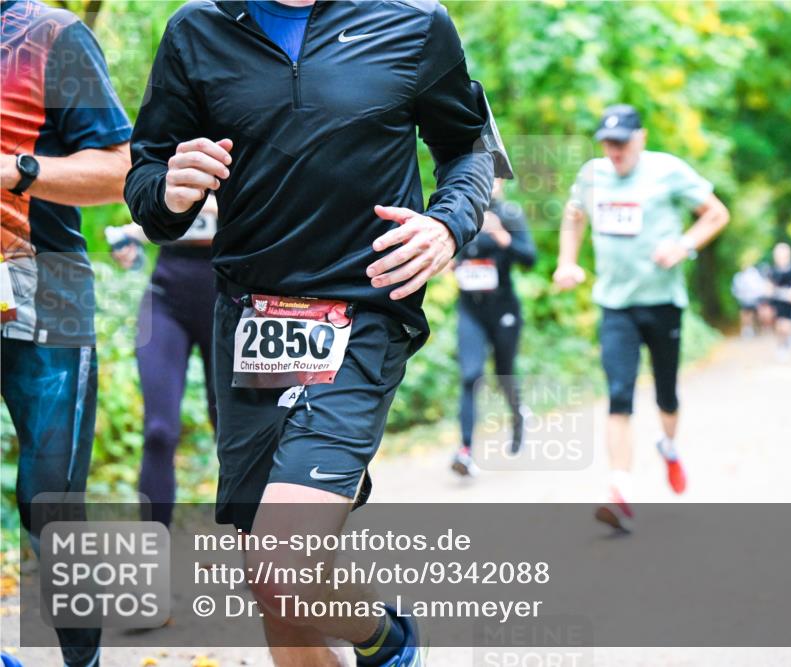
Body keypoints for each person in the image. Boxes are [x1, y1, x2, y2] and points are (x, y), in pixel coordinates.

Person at [124, 1, 506, 666]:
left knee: (281, 564)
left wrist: (447, 223)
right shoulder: (198, 30)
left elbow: (469, 148)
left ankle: (391, 642)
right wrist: (172, 189)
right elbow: (147, 183)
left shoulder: (414, 23)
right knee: (275, 587)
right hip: (248, 323)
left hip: (363, 314)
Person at [1, 1, 132, 665]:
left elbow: (120, 169)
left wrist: (21, 171)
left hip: (44, 290)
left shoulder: (52, 35)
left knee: (48, 502)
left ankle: (83, 660)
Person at [553, 104, 729, 532]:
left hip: (663, 303)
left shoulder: (667, 171)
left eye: (622, 142)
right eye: (608, 142)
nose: (614, 150)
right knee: (619, 392)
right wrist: (567, 262)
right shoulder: (592, 175)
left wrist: (685, 245)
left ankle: (668, 446)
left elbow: (717, 213)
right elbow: (573, 218)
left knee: (666, 394)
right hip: (616, 305)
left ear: (641, 139)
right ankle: (619, 489)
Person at [109, 195, 220, 527]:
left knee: (231, 431)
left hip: (228, 300)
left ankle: (257, 555)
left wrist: (198, 205)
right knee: (158, 431)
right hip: (165, 301)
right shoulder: (166, 151)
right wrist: (128, 240)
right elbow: (152, 215)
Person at [451, 178, 536, 478]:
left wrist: (502, 236)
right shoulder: (460, 211)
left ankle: (518, 415)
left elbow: (530, 258)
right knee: (470, 375)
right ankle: (465, 450)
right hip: (470, 309)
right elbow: (453, 257)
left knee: (503, 374)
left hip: (503, 309)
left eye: (494, 178)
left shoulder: (510, 214)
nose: (488, 183)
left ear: (500, 183)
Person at [768, 242, 791, 360]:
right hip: (778, 301)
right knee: (780, 324)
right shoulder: (773, 270)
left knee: (788, 323)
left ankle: (789, 339)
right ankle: (782, 345)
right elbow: (770, 286)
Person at [731, 260, 767, 339]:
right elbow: (735, 289)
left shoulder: (754, 275)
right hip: (744, 299)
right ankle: (747, 330)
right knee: (745, 314)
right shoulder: (738, 277)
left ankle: (758, 328)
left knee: (758, 314)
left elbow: (759, 287)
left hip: (755, 299)